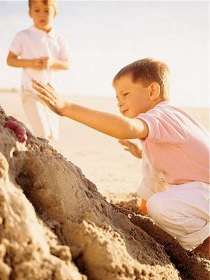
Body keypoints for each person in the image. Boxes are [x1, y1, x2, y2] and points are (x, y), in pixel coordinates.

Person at [32, 58, 210, 259]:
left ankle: (205, 242)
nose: (119, 102)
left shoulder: (161, 114)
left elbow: (125, 128)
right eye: (117, 97)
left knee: (160, 206)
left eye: (125, 94)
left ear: (152, 91)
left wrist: (66, 107)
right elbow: (184, 155)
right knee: (152, 173)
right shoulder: (171, 117)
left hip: (205, 193)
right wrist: (141, 152)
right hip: (200, 191)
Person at [7, 0, 69, 140]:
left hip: (51, 94)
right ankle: (23, 138)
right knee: (43, 132)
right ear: (30, 12)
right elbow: (10, 59)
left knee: (52, 134)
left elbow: (67, 64)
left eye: (47, 11)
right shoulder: (23, 36)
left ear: (55, 13)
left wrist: (52, 62)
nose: (42, 14)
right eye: (37, 10)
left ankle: (41, 154)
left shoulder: (59, 39)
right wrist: (30, 63)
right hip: (31, 91)